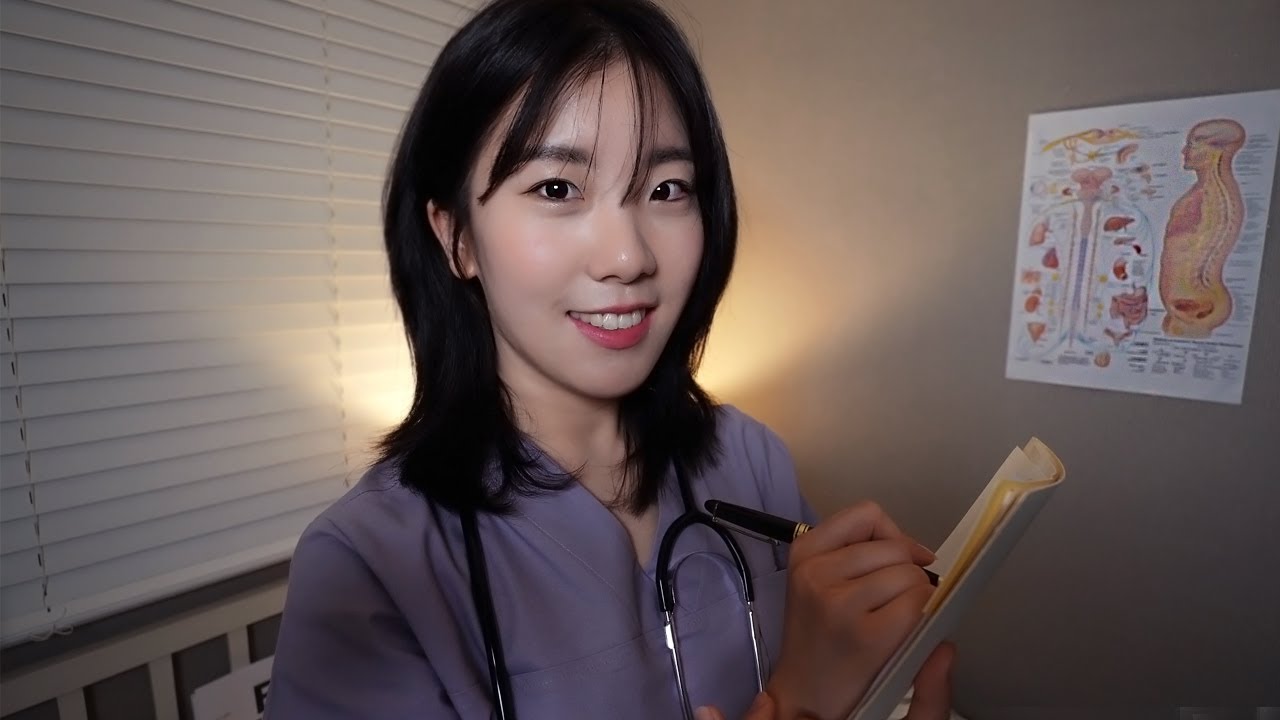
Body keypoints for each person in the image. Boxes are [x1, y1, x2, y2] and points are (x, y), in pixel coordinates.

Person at [264, 0, 953, 718]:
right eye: (556, 188)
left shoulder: (752, 461)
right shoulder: (368, 564)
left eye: (666, 189)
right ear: (456, 237)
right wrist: (799, 700)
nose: (628, 257)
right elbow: (810, 685)